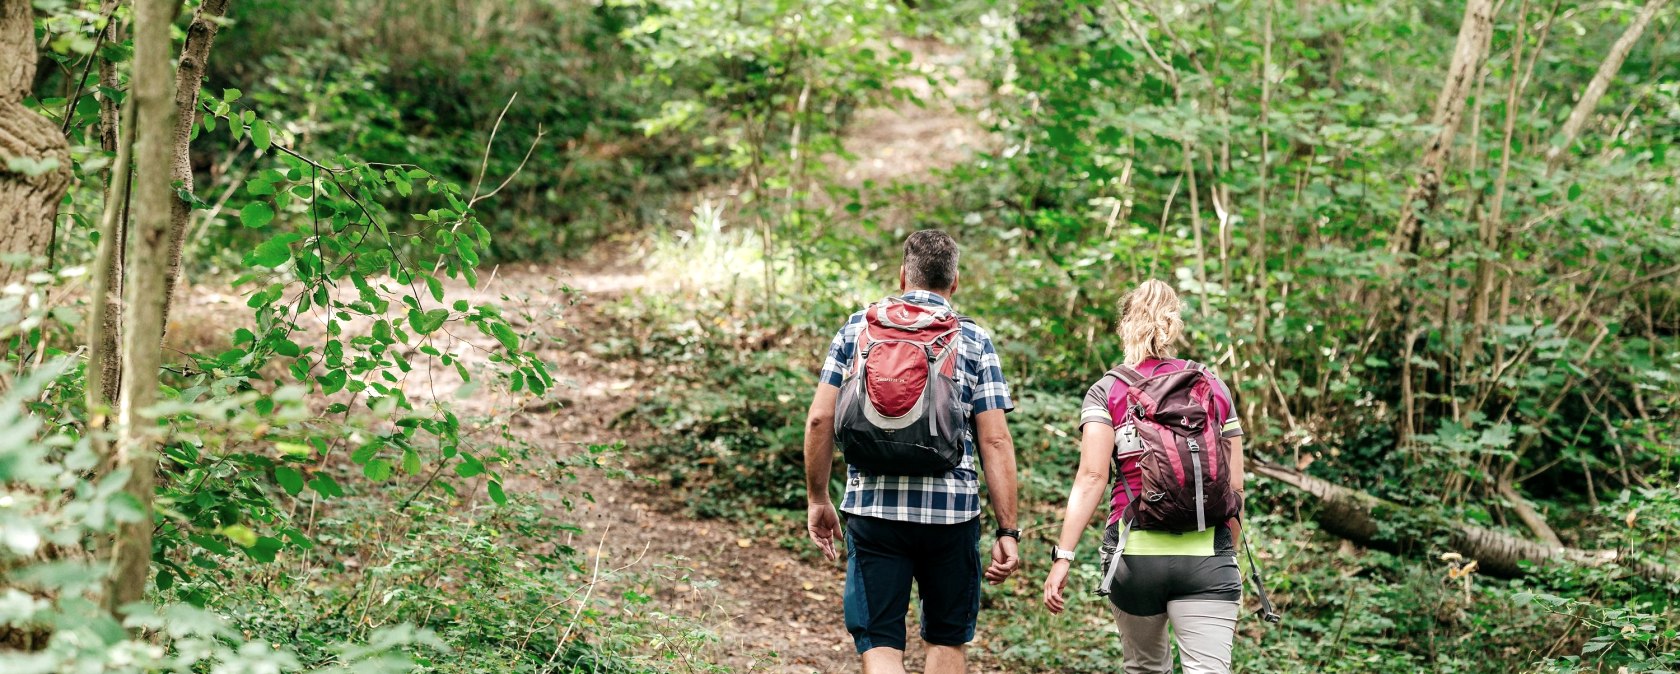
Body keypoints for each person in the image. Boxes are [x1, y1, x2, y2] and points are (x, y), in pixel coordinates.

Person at [802, 230, 1021, 674]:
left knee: (880, 642)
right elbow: (995, 439)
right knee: (946, 639)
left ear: (903, 276)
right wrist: (1007, 530)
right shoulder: (973, 338)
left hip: (873, 508)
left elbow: (820, 419)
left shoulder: (856, 328)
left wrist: (818, 497)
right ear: (954, 283)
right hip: (952, 518)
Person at [1041, 279, 1247, 674]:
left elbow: (1091, 476)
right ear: (1176, 324)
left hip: (1133, 558)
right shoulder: (1212, 387)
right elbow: (1235, 486)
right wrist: (1225, 553)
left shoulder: (1108, 391)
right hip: (1208, 555)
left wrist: (1063, 557)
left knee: (1146, 668)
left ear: (1125, 324)